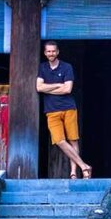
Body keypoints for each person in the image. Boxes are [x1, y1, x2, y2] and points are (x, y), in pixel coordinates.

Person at [37, 41, 92, 179]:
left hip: (69, 108)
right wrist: (57, 86)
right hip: (51, 110)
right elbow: (39, 88)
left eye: (53, 51)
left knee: (73, 140)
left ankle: (74, 172)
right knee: (59, 140)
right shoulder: (42, 68)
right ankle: (84, 166)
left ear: (58, 52)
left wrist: (48, 88)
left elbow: (67, 89)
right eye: (48, 51)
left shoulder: (67, 67)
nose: (51, 53)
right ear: (45, 53)